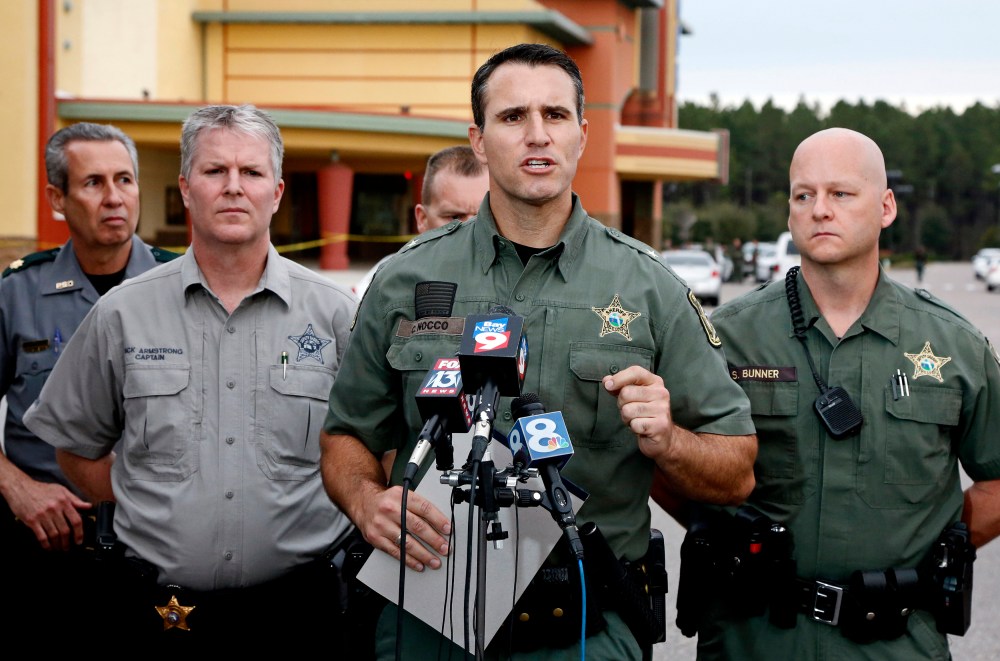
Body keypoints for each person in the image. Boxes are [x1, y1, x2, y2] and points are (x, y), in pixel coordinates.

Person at [319, 43, 757, 660]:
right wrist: (367, 501)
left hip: (585, 629)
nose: (536, 136)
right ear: (478, 139)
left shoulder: (648, 288)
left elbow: (737, 468)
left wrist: (669, 441)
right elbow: (346, 436)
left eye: (555, 116)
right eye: (512, 116)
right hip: (428, 618)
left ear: (582, 134)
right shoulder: (405, 282)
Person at [23, 105, 357, 639]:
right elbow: (74, 447)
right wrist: (146, 495)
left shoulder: (336, 313)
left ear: (276, 191)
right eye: (214, 171)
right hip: (163, 612)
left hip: (302, 610)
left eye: (251, 172)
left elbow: (368, 448)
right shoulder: (121, 313)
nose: (233, 187)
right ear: (184, 188)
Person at [702, 128, 1000, 660]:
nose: (820, 210)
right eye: (804, 195)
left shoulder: (955, 345)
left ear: (885, 207)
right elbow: (673, 464)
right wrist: (734, 539)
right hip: (755, 639)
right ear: (790, 211)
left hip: (895, 641)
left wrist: (935, 549)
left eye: (841, 194)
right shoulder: (727, 338)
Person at [0, 122, 176, 632]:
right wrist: (18, 487)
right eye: (93, 183)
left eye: (125, 180)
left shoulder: (185, 287)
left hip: (161, 546)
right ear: (58, 197)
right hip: (48, 543)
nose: (114, 197)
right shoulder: (17, 294)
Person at [354, 146, 489, 298]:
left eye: (483, 216)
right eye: (454, 217)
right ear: (422, 219)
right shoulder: (387, 280)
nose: (470, 229)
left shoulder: (516, 279)